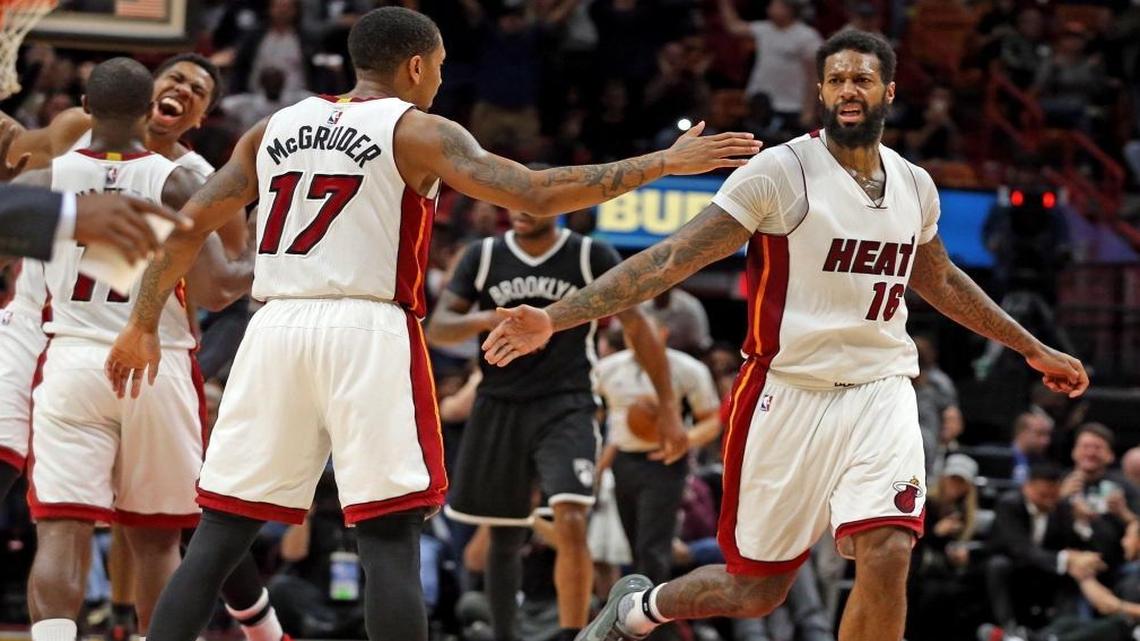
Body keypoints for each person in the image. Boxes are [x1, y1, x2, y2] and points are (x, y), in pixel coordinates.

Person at [102, 8, 759, 641]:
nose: (442, 79)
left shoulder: (272, 128)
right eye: (440, 67)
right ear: (415, 66)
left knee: (219, 535)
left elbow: (186, 227)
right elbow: (534, 192)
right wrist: (664, 164)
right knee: (388, 538)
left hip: (274, 328)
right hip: (365, 329)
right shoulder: (416, 130)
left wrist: (141, 320)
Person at [480, 29, 1089, 641]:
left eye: (862, 79)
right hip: (789, 390)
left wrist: (1031, 346)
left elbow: (944, 282)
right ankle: (641, 608)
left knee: (888, 549)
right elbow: (669, 260)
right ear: (821, 92)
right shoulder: (780, 171)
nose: (848, 90)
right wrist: (556, 318)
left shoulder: (915, 184)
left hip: (882, 387)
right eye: (836, 80)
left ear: (889, 91)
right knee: (755, 590)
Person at [5, 53, 285, 641]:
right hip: (154, 364)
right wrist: (264, 250)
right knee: (158, 542)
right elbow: (213, 288)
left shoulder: (46, 177)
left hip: (70, 359)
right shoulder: (180, 179)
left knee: (61, 532)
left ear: (84, 109)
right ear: (145, 112)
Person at [427, 208, 680, 641]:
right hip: (500, 402)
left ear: (559, 205)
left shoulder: (589, 254)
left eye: (534, 200)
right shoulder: (483, 256)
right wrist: (487, 319)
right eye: (512, 199)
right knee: (504, 534)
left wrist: (669, 407)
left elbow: (637, 326)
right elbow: (440, 328)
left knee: (571, 516)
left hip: (567, 402)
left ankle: (572, 634)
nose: (521, 209)